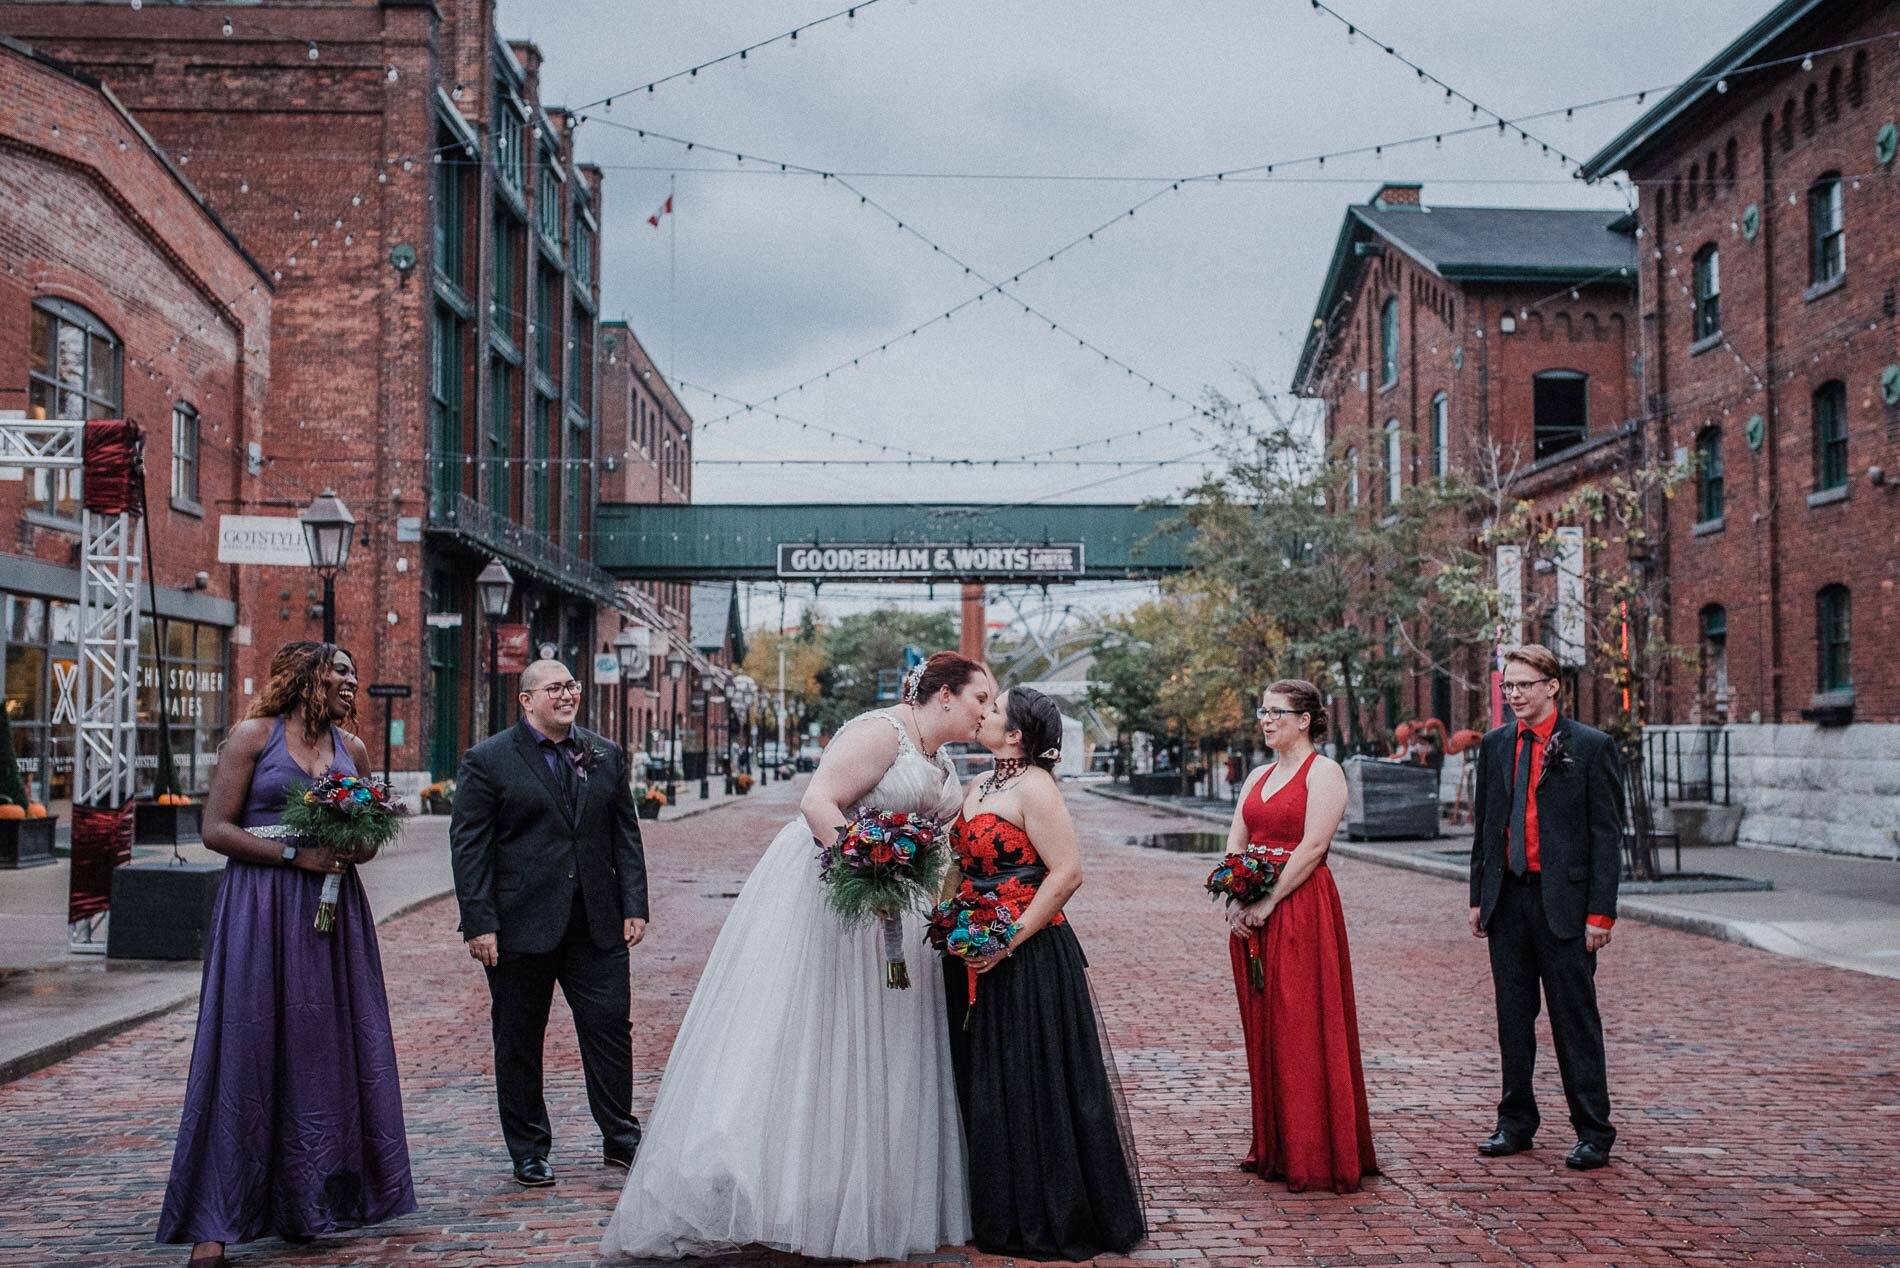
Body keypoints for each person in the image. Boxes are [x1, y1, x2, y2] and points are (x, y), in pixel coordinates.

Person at [597, 651, 990, 1264]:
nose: (985, 712)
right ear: (945, 696)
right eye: (980, 700)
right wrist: (869, 868)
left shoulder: (939, 759)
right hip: (838, 898)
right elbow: (818, 803)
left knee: (884, 1047)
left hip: (898, 912)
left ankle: (863, 1191)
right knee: (816, 1037)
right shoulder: (878, 732)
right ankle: (773, 1186)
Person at [158, 641, 415, 1266]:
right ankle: (213, 1221)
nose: (353, 681)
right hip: (260, 907)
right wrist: (297, 855)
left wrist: (357, 848)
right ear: (307, 677)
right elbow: (215, 829)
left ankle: (309, 1203)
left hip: (332, 916)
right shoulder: (253, 735)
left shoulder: (349, 750)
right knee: (245, 1047)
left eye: (356, 671)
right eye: (342, 671)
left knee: (321, 1051)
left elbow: (368, 837)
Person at [941, 686, 1144, 1260]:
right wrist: (940, 918)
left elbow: (1067, 873)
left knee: (1032, 1081)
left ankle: (1048, 1214)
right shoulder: (978, 785)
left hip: (1027, 955)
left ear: (1016, 736)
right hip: (972, 951)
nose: (984, 711)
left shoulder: (1036, 788)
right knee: (987, 1084)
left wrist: (1007, 938)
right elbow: (960, 865)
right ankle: (998, 1212)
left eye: (996, 709)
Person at [450, 659, 650, 1187]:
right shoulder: (487, 760)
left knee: (610, 1031)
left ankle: (621, 1137)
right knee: (518, 1040)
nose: (568, 694)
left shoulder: (604, 754)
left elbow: (625, 836)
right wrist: (479, 922)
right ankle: (530, 1149)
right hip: (519, 926)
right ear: (526, 699)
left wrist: (634, 904)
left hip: (597, 923)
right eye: (556, 687)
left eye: (573, 686)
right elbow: (470, 848)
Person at [1469, 644, 1623, 1171]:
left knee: (1573, 1021)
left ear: (1552, 685)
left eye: (1523, 685)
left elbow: (1606, 837)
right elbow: (1486, 828)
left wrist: (1601, 913)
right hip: (1507, 900)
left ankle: (1594, 1132)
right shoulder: (1494, 746)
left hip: (1565, 904)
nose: (1513, 694)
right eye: (1507, 686)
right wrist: (1478, 897)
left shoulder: (1590, 746)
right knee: (1513, 1020)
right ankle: (1515, 1124)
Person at [1222, 679, 1377, 1194]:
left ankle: (1314, 1148)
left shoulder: (1325, 772)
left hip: (1302, 910)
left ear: (1306, 719)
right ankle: (1275, 1143)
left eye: (1277, 712)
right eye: (1262, 711)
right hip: (1253, 916)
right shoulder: (1257, 775)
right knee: (1264, 1027)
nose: (1266, 720)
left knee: (1303, 1026)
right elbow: (1236, 843)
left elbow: (1312, 847)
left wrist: (1269, 900)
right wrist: (1239, 899)